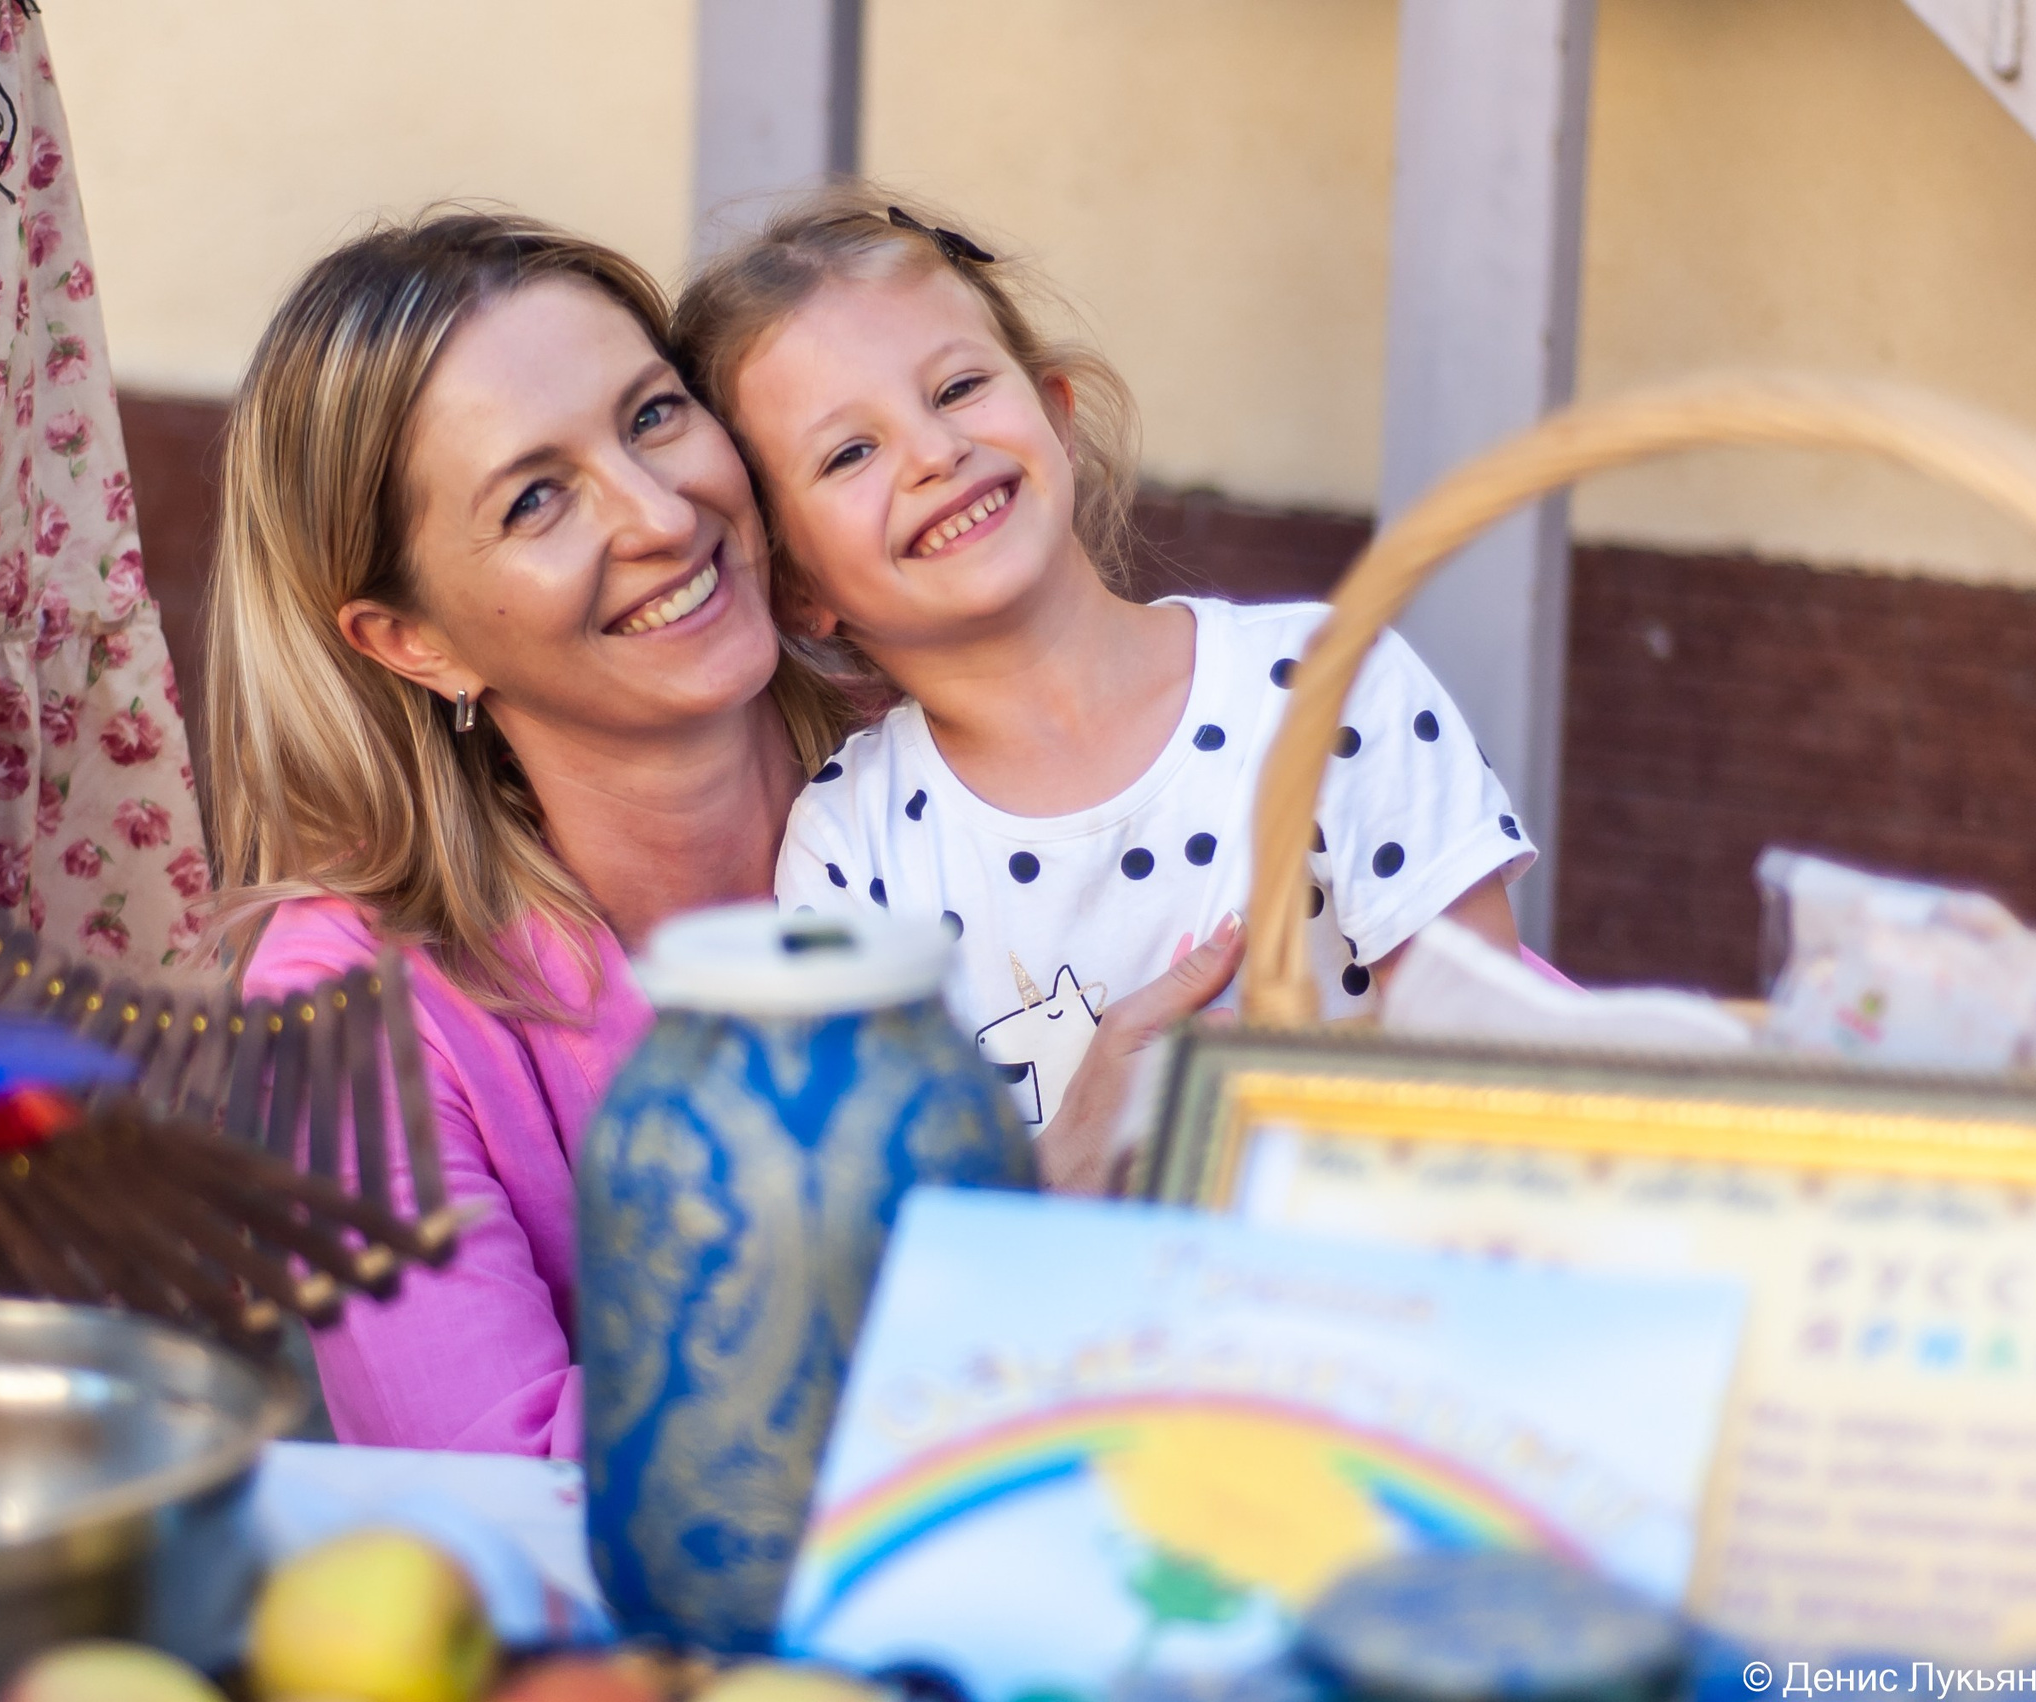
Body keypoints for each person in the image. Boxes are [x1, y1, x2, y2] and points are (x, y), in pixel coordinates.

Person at [673, 187, 1536, 1191]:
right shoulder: (850, 845)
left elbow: (1497, 1103)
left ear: (1057, 416)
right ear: (799, 586)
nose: (933, 451)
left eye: (956, 389)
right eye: (849, 452)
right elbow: (883, 1234)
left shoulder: (1329, 689)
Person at [204, 211, 863, 1456]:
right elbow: (505, 1486)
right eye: (537, 498)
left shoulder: (937, 749)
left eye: (654, 415)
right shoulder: (344, 1018)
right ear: (415, 642)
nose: (660, 515)